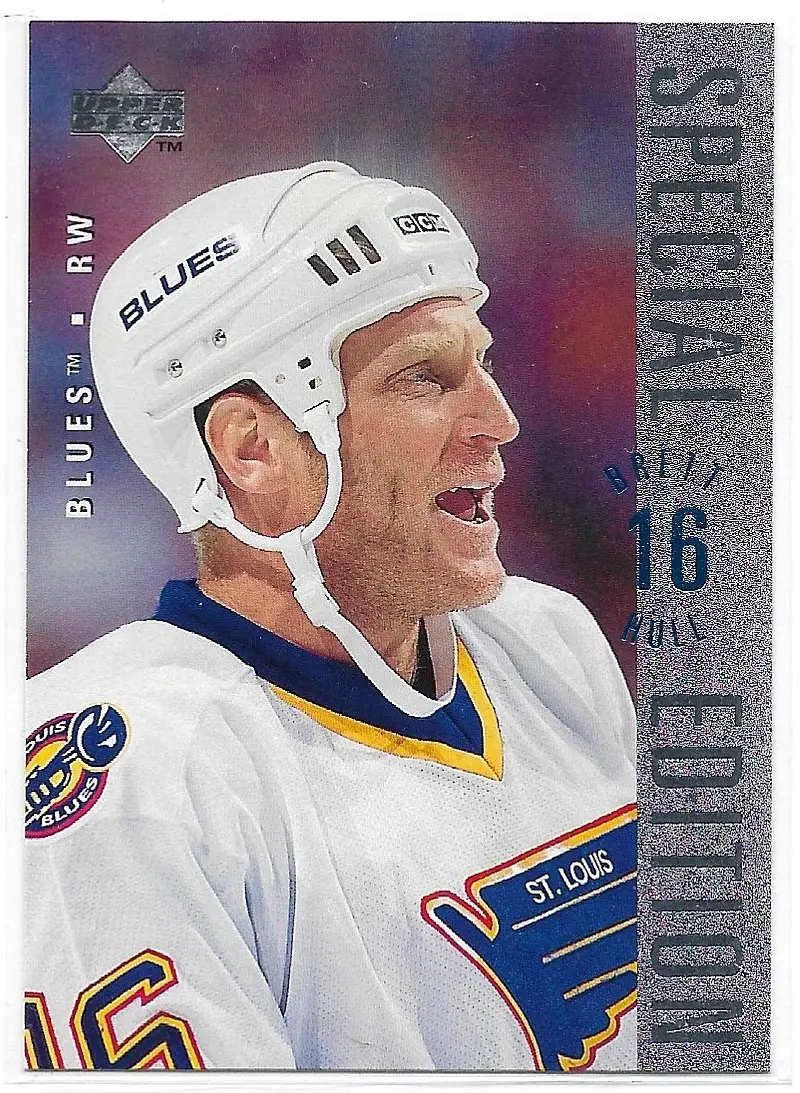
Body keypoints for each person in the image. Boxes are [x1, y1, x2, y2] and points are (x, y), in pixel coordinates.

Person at [25, 162, 636, 1072]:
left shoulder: (546, 640)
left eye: (483, 362)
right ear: (254, 450)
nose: (499, 419)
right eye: (425, 378)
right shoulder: (133, 780)